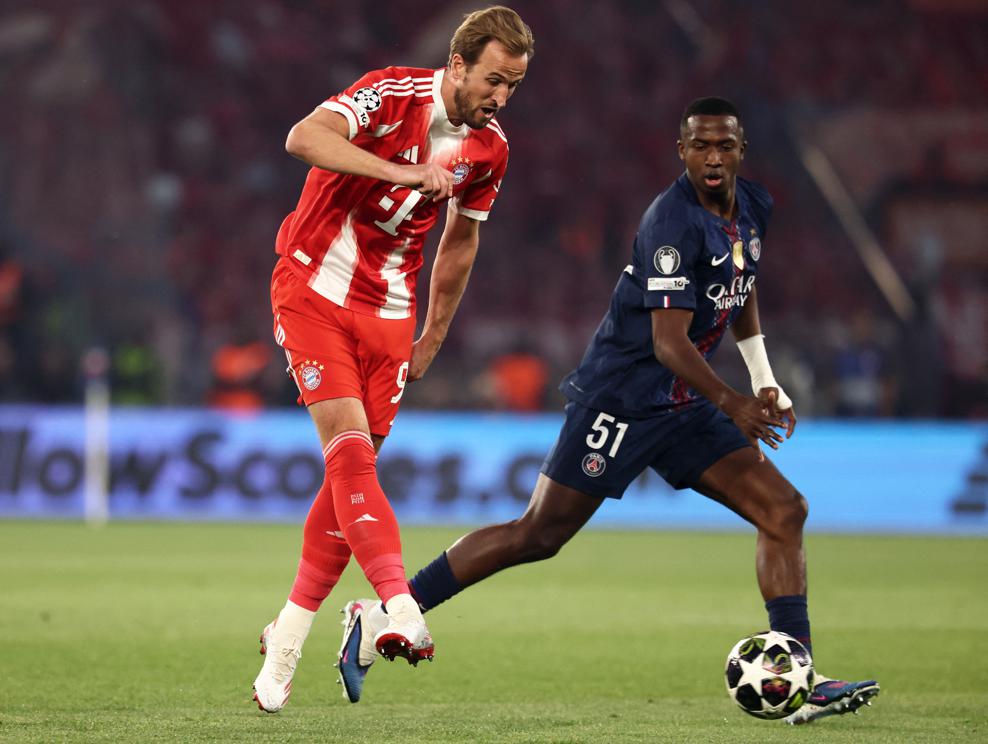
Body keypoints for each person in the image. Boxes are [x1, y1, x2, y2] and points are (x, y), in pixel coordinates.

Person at [338, 97, 880, 725]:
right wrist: (733, 402)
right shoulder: (671, 223)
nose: (712, 158)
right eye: (700, 146)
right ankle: (385, 611)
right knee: (538, 535)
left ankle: (798, 678)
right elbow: (668, 343)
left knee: (784, 511)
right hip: (622, 398)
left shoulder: (754, 205)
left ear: (741, 152)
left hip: (682, 401)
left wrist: (763, 378)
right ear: (682, 151)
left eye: (724, 146)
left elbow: (741, 282)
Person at [251, 6, 534, 713]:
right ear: (458, 63)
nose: (501, 97)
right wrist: (399, 171)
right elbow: (303, 137)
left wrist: (432, 335)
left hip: (390, 314)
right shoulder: (390, 92)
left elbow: (461, 241)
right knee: (350, 457)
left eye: (513, 86)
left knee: (349, 481)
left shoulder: (490, 151)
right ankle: (398, 606)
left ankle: (287, 631)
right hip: (314, 287)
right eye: (494, 80)